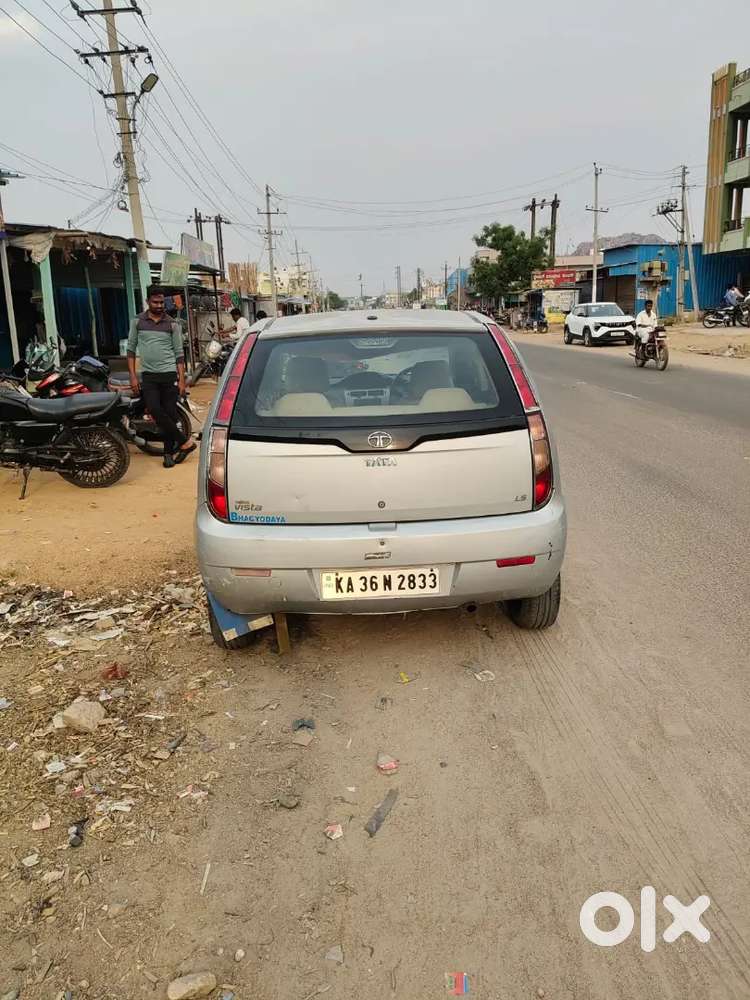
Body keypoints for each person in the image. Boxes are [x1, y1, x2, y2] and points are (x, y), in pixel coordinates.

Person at [127, 286, 196, 469]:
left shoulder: (172, 324)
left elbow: (179, 354)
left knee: (171, 414)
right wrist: (133, 376)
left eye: (161, 302)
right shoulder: (137, 322)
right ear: (147, 301)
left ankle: (167, 454)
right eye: (155, 302)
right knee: (155, 409)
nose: (159, 306)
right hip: (149, 376)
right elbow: (131, 350)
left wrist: (181, 380)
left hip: (169, 375)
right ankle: (184, 442)